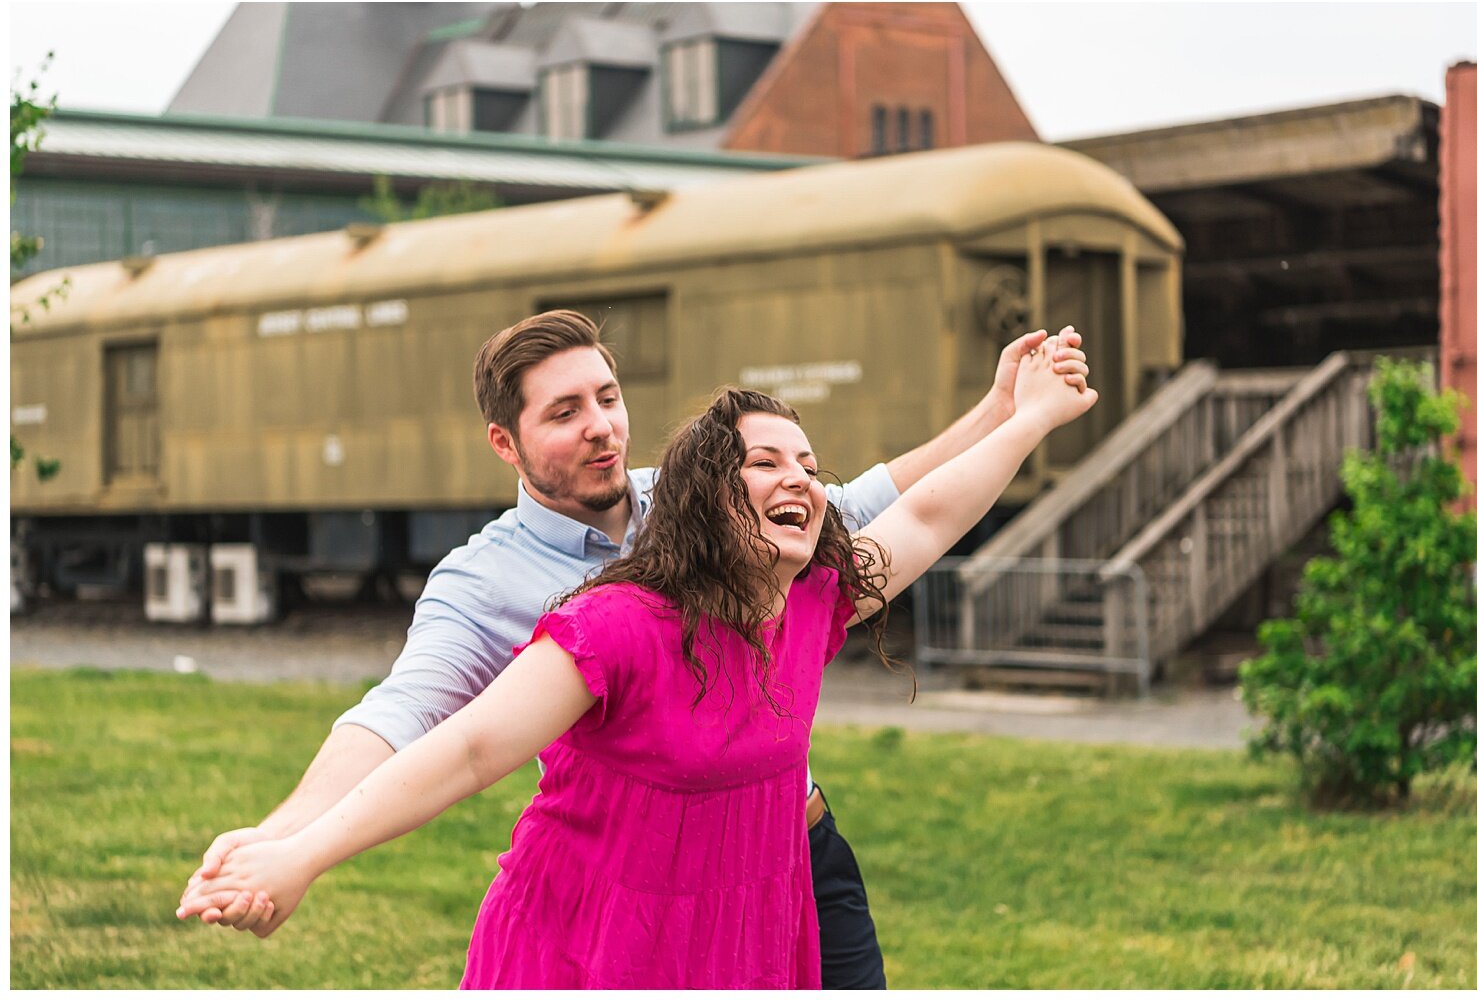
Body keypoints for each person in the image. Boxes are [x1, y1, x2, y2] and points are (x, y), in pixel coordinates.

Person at [177, 310, 1090, 988]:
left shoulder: (778, 562)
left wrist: (1010, 415)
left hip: (779, 863)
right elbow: (432, 727)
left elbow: (899, 506)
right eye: (566, 411)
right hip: (626, 889)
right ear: (507, 441)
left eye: (609, 400)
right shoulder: (540, 598)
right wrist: (289, 841)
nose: (602, 427)